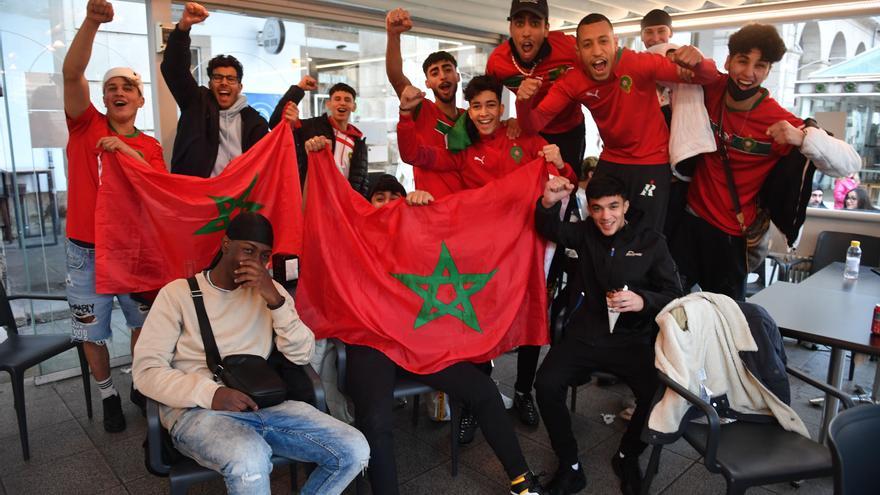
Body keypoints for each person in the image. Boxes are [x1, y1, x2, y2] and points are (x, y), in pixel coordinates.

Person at [132, 212, 369, 495]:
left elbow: (303, 354)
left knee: (354, 449)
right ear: (225, 245)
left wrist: (276, 301)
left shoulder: (271, 293)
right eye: (248, 250)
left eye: (264, 255)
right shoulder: (178, 294)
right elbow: (146, 371)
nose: (255, 262)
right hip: (199, 412)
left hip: (265, 405)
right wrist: (211, 394)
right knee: (250, 458)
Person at [341, 174, 545, 495]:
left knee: (484, 391)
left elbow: (466, 238)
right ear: (367, 205)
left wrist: (429, 212)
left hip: (418, 343)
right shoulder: (354, 237)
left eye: (395, 196)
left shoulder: (419, 236)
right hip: (372, 344)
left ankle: (522, 480)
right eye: (379, 198)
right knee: (376, 422)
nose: (389, 204)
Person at [673, 24, 861, 301]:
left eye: (760, 65)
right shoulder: (714, 88)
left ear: (769, 71)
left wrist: (802, 137)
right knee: (670, 308)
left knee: (726, 321)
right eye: (742, 61)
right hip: (689, 221)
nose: (749, 73)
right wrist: (688, 55)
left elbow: (849, 164)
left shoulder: (777, 118)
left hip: (730, 235)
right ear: (729, 61)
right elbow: (701, 70)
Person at [533, 175, 682, 495]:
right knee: (545, 384)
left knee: (657, 395)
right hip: (584, 335)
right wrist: (547, 202)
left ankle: (628, 455)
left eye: (613, 207)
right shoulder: (586, 232)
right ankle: (570, 465)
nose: (605, 216)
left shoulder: (651, 241)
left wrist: (643, 301)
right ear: (589, 208)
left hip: (634, 339)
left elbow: (674, 295)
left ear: (626, 206)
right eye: (597, 208)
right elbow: (549, 228)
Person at [62, 0, 168, 432]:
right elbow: (71, 74)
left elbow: (160, 195)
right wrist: (91, 22)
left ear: (141, 99)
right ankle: (107, 394)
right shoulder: (85, 125)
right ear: (103, 98)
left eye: (128, 87)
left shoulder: (151, 147)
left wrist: (126, 151)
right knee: (92, 332)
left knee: (144, 324)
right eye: (112, 88)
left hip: (133, 253)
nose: (119, 93)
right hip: (85, 251)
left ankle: (138, 386)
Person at [516, 13, 719, 232]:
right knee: (597, 232)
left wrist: (699, 62)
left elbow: (708, 76)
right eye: (587, 44)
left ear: (615, 43)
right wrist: (523, 103)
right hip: (612, 159)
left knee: (645, 239)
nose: (596, 51)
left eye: (603, 41)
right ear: (578, 52)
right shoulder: (572, 81)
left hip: (650, 160)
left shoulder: (639, 62)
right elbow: (533, 125)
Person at [163, 3, 315, 178]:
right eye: (218, 78)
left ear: (240, 86)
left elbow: (272, 157)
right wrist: (183, 28)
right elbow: (174, 69)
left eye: (231, 79)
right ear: (210, 83)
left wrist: (290, 129)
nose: (224, 83)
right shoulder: (195, 104)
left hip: (238, 201)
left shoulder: (254, 122)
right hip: (196, 199)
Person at [397, 75, 578, 190]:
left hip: (525, 241)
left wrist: (562, 166)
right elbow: (412, 156)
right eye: (477, 106)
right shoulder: (462, 151)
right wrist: (405, 114)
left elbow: (570, 185)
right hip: (484, 241)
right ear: (470, 112)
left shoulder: (526, 138)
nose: (483, 113)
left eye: (490, 105)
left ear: (501, 109)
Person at [486, 0, 585, 172]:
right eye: (519, 23)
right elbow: (486, 102)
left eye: (534, 23)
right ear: (510, 29)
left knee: (568, 186)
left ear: (546, 28)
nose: (526, 32)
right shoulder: (497, 61)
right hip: (530, 133)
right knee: (533, 189)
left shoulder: (568, 47)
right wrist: (506, 121)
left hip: (569, 129)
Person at [383, 8, 465, 197]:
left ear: (458, 76)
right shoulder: (422, 109)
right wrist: (393, 35)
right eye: (435, 73)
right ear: (428, 83)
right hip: (431, 209)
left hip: (465, 211)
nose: (443, 76)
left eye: (447, 69)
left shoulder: (470, 118)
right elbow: (396, 78)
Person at [276, 82, 369, 197]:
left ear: (354, 107)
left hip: (345, 206)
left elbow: (362, 182)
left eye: (347, 100)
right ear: (328, 104)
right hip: (315, 201)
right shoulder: (311, 127)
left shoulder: (359, 143)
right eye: (337, 99)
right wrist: (298, 89)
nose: (342, 103)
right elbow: (276, 123)